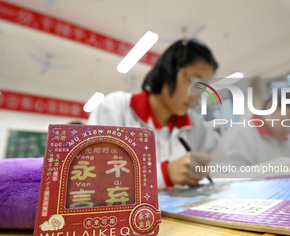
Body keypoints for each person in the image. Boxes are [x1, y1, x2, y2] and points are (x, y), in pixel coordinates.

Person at [87, 39, 224, 189]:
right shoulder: (115, 108)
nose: (198, 95)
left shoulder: (195, 124)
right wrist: (165, 174)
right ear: (169, 70)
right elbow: (94, 177)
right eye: (195, 81)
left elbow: (224, 165)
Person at [222, 87, 290, 169]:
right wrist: (284, 165)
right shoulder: (240, 134)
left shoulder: (285, 139)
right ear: (272, 106)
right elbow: (232, 173)